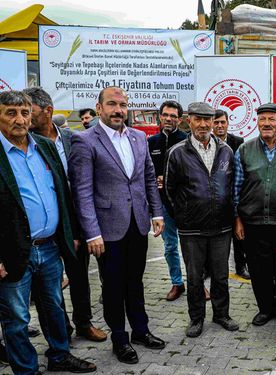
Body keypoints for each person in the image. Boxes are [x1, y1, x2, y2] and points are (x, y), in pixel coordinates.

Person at [0, 90, 96, 374]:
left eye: (25, 113)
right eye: (10, 113)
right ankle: (26, 369)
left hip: (50, 247)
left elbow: (63, 194)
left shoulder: (44, 146)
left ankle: (59, 355)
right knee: (17, 317)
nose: (20, 120)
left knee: (54, 306)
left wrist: (72, 233)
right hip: (14, 251)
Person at [68, 87, 166, 365]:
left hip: (137, 224)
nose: (118, 110)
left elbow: (148, 177)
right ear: (99, 108)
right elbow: (82, 192)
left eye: (123, 105)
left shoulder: (138, 137)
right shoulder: (84, 141)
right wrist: (92, 233)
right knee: (112, 286)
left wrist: (156, 214)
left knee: (135, 281)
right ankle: (120, 338)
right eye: (112, 104)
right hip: (107, 231)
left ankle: (140, 330)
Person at [24, 87, 107, 343]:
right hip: (44, 225)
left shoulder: (73, 139)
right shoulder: (26, 142)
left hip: (75, 223)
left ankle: (83, 323)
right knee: (48, 286)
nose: (26, 118)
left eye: (31, 112)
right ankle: (61, 330)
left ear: (48, 111)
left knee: (79, 277)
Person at [165, 102, 240, 337]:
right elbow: (169, 189)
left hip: (221, 226)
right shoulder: (177, 152)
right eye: (198, 119)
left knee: (221, 275)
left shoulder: (226, 150)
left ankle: (221, 314)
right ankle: (196, 318)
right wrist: (183, 215)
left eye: (208, 120)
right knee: (195, 277)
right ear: (189, 121)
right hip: (191, 229)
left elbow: (231, 185)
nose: (204, 124)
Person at [233, 103, 276, 330]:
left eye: (272, 119)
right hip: (254, 222)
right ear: (257, 123)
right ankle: (265, 309)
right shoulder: (244, 150)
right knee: (259, 269)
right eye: (262, 120)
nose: (267, 124)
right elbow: (237, 187)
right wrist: (238, 219)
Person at [147, 100, 189, 301]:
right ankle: (177, 283)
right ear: (160, 117)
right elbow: (146, 173)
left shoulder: (187, 141)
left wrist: (171, 179)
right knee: (170, 246)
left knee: (191, 247)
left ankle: (197, 284)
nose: (169, 119)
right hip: (163, 205)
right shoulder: (151, 142)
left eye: (173, 116)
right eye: (166, 115)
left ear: (179, 119)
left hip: (185, 204)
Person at [212, 109, 250, 280]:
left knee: (239, 236)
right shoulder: (208, 141)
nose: (220, 125)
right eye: (216, 122)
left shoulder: (238, 142)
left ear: (228, 123)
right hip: (215, 197)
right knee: (215, 235)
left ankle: (241, 267)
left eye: (222, 122)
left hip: (234, 194)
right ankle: (210, 268)